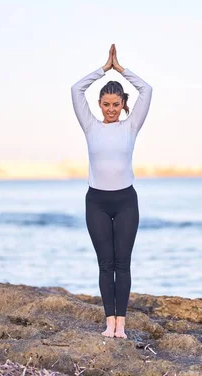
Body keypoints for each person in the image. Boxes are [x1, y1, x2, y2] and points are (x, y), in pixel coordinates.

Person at [70, 44, 153, 339]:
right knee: (106, 264)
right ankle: (110, 322)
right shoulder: (90, 126)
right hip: (97, 202)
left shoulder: (131, 126)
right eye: (105, 104)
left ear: (123, 106)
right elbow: (76, 89)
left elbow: (147, 89)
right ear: (100, 104)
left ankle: (122, 324)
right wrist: (104, 69)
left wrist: (122, 70)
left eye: (115, 104)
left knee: (123, 263)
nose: (110, 109)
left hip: (126, 201)